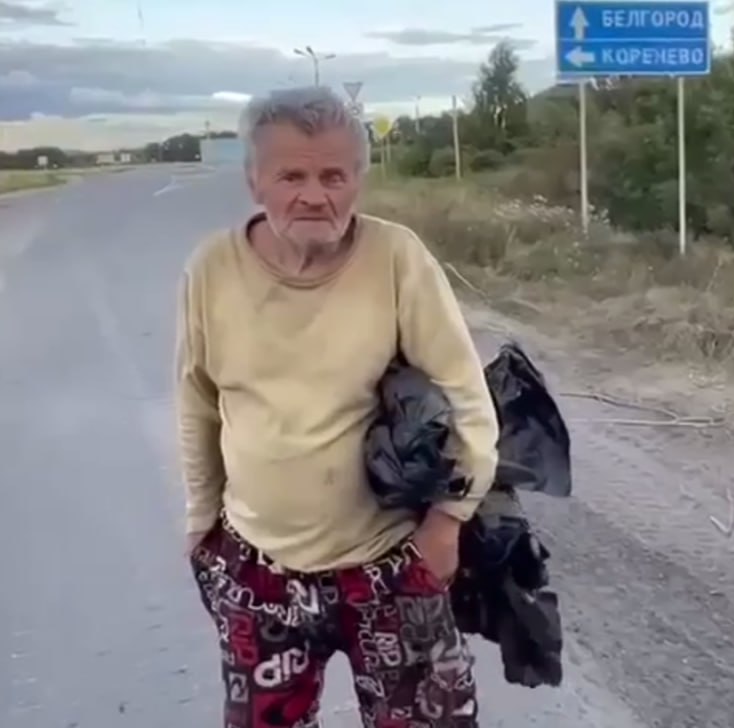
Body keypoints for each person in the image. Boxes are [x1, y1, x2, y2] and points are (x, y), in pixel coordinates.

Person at [174, 84, 501, 728]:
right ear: (254, 182)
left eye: (333, 175)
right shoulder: (211, 268)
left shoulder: (397, 257)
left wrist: (447, 522)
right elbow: (197, 401)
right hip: (257, 569)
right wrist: (200, 523)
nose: (314, 195)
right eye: (291, 174)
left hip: (389, 562)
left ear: (358, 180)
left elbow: (466, 396)